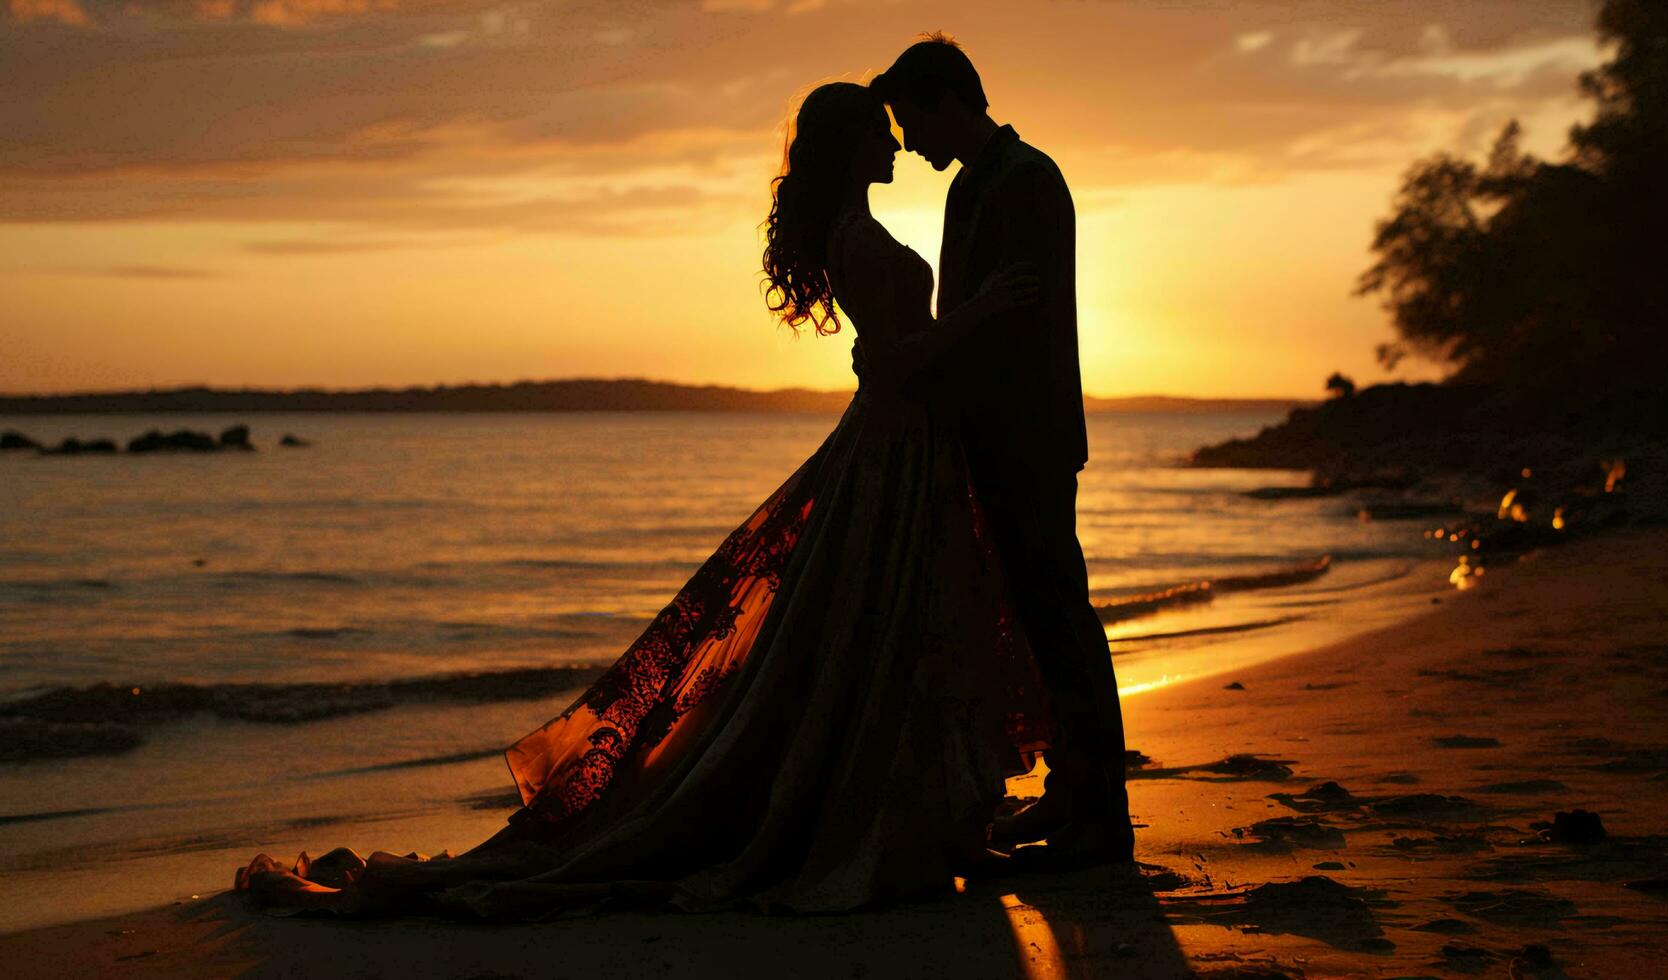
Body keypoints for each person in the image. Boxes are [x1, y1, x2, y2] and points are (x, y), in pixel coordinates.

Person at [233, 81, 1053, 919]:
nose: (893, 145)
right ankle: (875, 819)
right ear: (849, 149)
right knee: (867, 644)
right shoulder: (855, 236)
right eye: (878, 135)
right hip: (890, 455)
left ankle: (912, 813)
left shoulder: (857, 232)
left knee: (885, 642)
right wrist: (984, 311)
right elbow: (894, 365)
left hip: (902, 455)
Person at [869, 34, 1133, 868]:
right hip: (990, 430)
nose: (907, 144)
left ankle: (1097, 817)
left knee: (1059, 615)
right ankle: (1071, 795)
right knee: (1036, 616)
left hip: (1029, 432)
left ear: (947, 101)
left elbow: (1009, 317)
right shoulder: (973, 189)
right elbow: (968, 310)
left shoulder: (1027, 180)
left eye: (911, 123)